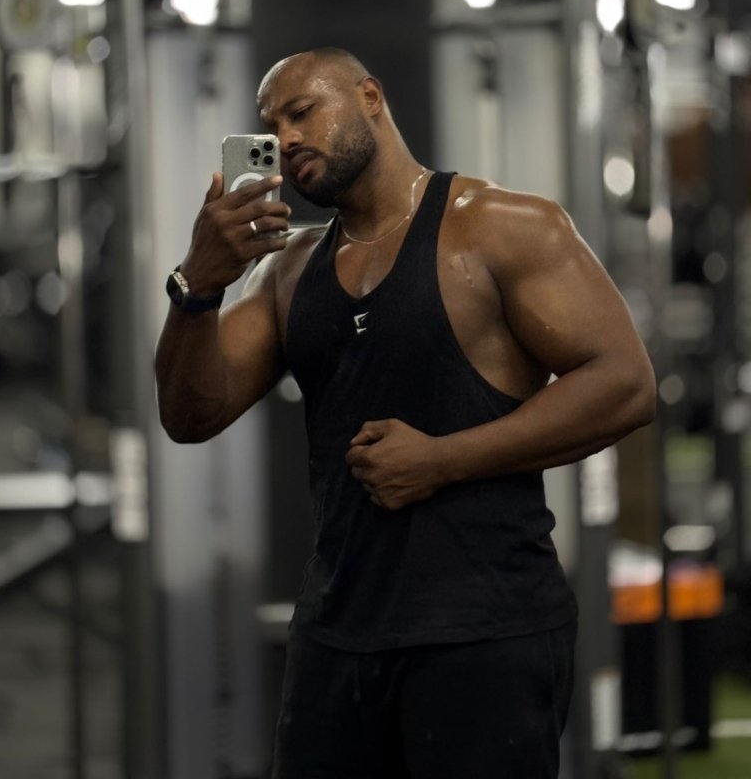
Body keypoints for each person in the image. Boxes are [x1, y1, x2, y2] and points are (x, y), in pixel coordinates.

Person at [155, 47, 656, 779]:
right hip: (336, 633)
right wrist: (197, 287)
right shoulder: (287, 270)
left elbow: (625, 383)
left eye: (303, 112)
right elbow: (189, 415)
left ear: (369, 97)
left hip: (485, 629)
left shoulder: (503, 226)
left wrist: (443, 459)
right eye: (272, 125)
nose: (287, 138)